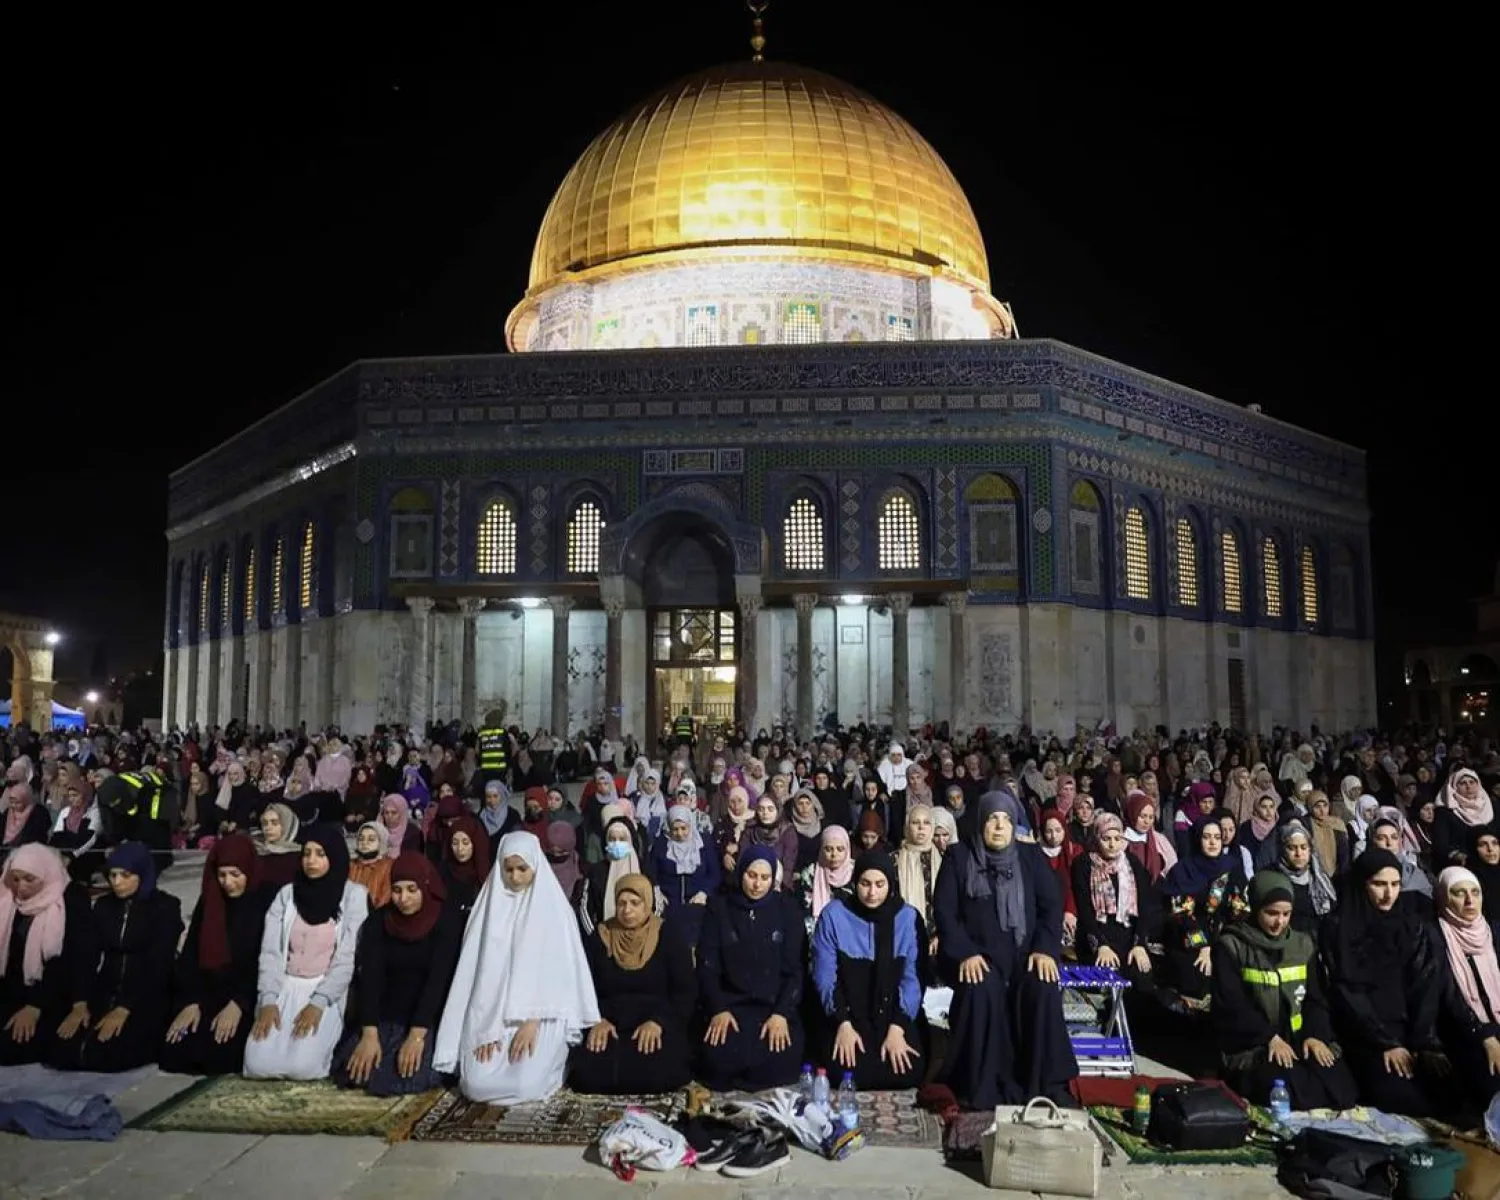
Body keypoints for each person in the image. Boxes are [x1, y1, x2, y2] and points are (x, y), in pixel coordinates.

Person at [932, 791, 1078, 1109]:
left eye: (1007, 820)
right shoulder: (959, 857)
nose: (999, 826)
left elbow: (1051, 906)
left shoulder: (1029, 857)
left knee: (1042, 987)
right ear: (981, 821)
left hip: (1024, 956)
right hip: (978, 957)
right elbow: (944, 912)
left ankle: (1045, 1084)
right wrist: (965, 953)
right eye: (993, 819)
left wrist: (1043, 949)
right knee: (981, 989)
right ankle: (981, 1086)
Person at [433, 831, 600, 1104]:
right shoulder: (486, 909)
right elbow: (477, 976)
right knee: (475, 1084)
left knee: (526, 1086)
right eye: (508, 869)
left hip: (543, 1013)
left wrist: (532, 1020)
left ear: (535, 866)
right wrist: (486, 1028)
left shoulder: (555, 910)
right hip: (493, 1015)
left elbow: (560, 975)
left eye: (522, 869)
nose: (515, 876)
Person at [1212, 870, 1357, 1110]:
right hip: (1254, 1046)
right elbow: (1231, 1005)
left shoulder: (1302, 945)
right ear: (1256, 907)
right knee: (1289, 1088)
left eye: (1286, 914)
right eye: (1271, 913)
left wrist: (1314, 1035)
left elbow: (1315, 998)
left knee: (1341, 1087)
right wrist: (1269, 1037)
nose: (1279, 922)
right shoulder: (1233, 945)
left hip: (1298, 1040)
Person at [1320, 848, 1447, 1117]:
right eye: (1379, 884)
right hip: (1364, 1036)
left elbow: (1424, 984)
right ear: (1362, 883)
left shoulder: (1411, 925)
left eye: (1395, 884)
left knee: (1449, 1091)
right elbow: (1346, 992)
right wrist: (1385, 1042)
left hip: (1408, 1031)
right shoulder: (1339, 926)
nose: (1389, 894)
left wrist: (1423, 1042)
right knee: (1404, 1100)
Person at [244, 825, 369, 1080]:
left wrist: (318, 1003)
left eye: (320, 854)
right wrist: (268, 1000)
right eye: (306, 853)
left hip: (325, 990)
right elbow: (270, 952)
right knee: (258, 1065)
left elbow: (347, 957)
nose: (311, 861)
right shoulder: (287, 895)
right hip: (284, 986)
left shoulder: (354, 896)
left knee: (304, 1067)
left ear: (334, 857)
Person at [334, 853, 461, 1095]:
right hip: (386, 1015)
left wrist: (416, 1037)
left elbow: (438, 981)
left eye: (412, 890)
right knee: (355, 1071)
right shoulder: (378, 922)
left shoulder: (446, 921)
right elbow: (370, 979)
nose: (404, 899)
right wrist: (369, 1033)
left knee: (404, 1079)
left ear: (426, 885)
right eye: (397, 890)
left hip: (426, 1018)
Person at [50, 842, 183, 1071]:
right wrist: (80, 1003)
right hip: (107, 988)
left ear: (142, 874)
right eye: (112, 875)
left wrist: (124, 1008)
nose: (117, 882)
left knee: (111, 1051)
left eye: (125, 875)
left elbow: (158, 964)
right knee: (63, 1048)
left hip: (147, 994)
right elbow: (87, 955)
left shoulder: (164, 907)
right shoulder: (104, 906)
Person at [571, 873, 695, 1094]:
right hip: (611, 1023)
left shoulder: (668, 935)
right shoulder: (601, 936)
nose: (627, 910)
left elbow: (684, 992)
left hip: (655, 1024)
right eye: (621, 903)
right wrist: (597, 1020)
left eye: (635, 903)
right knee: (587, 1074)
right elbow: (583, 987)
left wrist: (659, 1022)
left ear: (647, 903)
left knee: (663, 1071)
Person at [162, 834, 275, 1075]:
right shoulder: (211, 899)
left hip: (248, 994)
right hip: (208, 993)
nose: (227, 883)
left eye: (235, 875)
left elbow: (265, 959)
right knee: (176, 1051)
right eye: (222, 875)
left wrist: (239, 1004)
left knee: (224, 1053)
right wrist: (190, 1001)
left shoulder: (266, 900)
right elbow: (191, 954)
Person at [696, 845, 807, 1090]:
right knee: (717, 1060)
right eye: (751, 876)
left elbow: (794, 971)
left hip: (772, 1007)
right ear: (741, 873)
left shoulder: (788, 911)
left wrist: (781, 1013)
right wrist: (719, 1008)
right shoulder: (719, 909)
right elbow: (708, 966)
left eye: (765, 878)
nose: (757, 884)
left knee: (782, 1060)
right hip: (731, 1006)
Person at [811, 850, 923, 1088]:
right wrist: (843, 1023)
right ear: (855, 882)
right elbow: (825, 977)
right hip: (848, 1014)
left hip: (890, 1015)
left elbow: (912, 979)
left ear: (891, 884)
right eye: (865, 884)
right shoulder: (834, 915)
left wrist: (898, 1027)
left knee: (906, 1070)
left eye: (880, 884)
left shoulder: (907, 918)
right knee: (841, 1071)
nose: (872, 893)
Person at [0, 844, 92, 1066]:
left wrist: (35, 1006)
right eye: (16, 879)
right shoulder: (7, 902)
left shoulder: (68, 902)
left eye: (29, 880)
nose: (21, 887)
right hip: (12, 992)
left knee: (11, 1046)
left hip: (50, 997)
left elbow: (69, 962)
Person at [1431, 866, 1500, 1113]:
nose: (1470, 901)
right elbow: (1449, 998)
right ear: (1443, 897)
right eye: (1459, 893)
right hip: (1464, 1031)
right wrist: (1486, 1037)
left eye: (1475, 892)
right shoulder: (1436, 936)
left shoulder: (1492, 931)